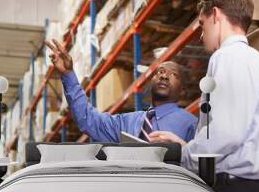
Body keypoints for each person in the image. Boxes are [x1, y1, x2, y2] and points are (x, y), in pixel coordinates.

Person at [159, 0, 259, 192]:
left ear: (215, 15)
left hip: (234, 190)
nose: (201, 35)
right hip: (250, 188)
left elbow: (226, 134)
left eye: (202, 24)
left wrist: (183, 154)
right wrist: (188, 146)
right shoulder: (251, 59)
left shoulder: (228, 57)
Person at [45, 39, 197, 143]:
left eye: (173, 75)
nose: (164, 75)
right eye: (160, 71)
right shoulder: (127, 122)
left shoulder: (191, 124)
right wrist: (68, 75)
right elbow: (88, 120)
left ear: (182, 90)